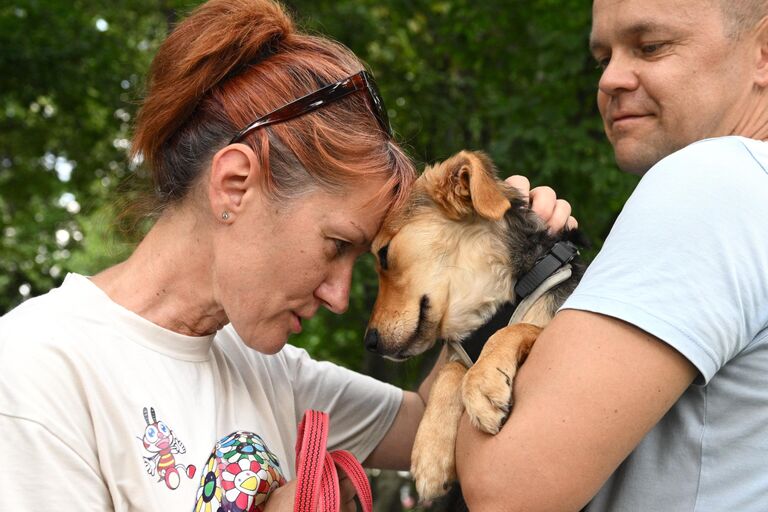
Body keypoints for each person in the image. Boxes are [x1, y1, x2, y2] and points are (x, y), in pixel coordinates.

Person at [0, 0, 574, 510]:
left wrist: (503, 273)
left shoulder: (270, 370)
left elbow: (432, 423)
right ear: (233, 185)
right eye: (336, 246)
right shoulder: (39, 369)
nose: (341, 297)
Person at [455, 0, 768, 510]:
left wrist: (495, 282)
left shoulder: (712, 181)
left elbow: (507, 490)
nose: (611, 79)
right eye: (604, 58)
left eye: (651, 47)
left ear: (763, 52)